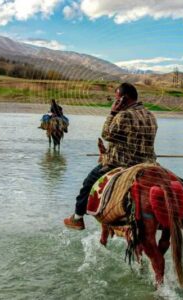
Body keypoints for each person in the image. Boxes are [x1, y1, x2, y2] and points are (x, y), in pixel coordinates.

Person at [64, 83, 158, 230]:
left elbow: (107, 134)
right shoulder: (150, 115)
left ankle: (77, 218)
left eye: (116, 98)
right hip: (148, 163)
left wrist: (113, 113)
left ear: (123, 99)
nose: (115, 102)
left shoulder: (123, 115)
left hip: (121, 163)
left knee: (88, 183)